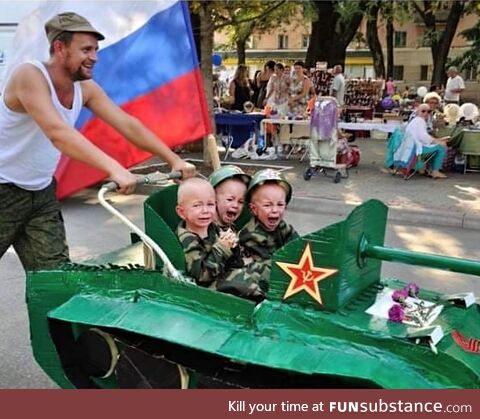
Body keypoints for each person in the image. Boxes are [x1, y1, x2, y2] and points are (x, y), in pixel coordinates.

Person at [0, 12, 195, 273]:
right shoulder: (29, 75)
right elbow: (57, 132)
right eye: (86, 49)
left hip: (41, 193)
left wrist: (172, 159)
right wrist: (113, 168)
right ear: (60, 48)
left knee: (54, 281)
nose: (94, 57)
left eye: (96, 50)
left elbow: (127, 124)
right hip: (4, 188)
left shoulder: (85, 88)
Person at [176, 178, 263, 301]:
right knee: (242, 280)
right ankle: (259, 305)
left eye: (210, 204)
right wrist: (222, 248)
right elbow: (202, 275)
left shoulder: (213, 228)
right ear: (182, 212)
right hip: (200, 290)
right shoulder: (188, 239)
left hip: (219, 277)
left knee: (255, 272)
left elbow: (236, 264)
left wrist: (233, 246)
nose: (205, 210)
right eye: (197, 205)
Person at [239, 169, 299, 292]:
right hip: (259, 281)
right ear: (254, 209)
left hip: (279, 273)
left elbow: (298, 246)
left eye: (280, 204)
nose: (275, 210)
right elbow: (270, 268)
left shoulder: (281, 226)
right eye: (268, 205)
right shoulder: (251, 235)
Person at [394, 104, 450, 179]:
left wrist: (436, 140)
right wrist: (437, 141)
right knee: (442, 147)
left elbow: (422, 136)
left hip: (409, 147)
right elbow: (423, 137)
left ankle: (431, 169)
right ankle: (435, 171)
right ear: (418, 112)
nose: (426, 113)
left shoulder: (414, 121)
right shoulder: (420, 121)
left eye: (428, 111)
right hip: (416, 148)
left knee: (438, 145)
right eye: (423, 111)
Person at [208, 165, 250, 230]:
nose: (235, 205)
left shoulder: (233, 229)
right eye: (230, 199)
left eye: (241, 202)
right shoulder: (204, 229)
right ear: (213, 198)